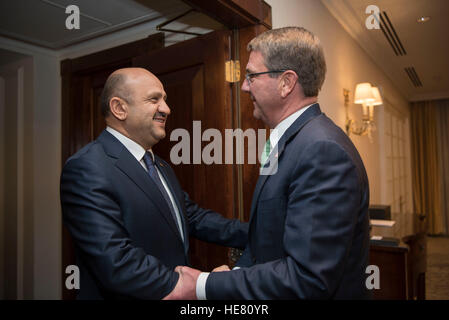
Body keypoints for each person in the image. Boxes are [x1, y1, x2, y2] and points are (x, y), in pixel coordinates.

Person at [167, 26, 371, 299]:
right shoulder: (295, 141)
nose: (244, 86)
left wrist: (202, 286)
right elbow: (268, 239)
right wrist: (237, 274)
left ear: (286, 82)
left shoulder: (322, 151)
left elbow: (307, 278)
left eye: (251, 75)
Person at [60, 67, 248, 300]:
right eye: (153, 99)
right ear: (119, 108)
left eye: (165, 100)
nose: (166, 109)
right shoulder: (87, 167)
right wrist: (197, 285)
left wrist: (258, 233)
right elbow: (115, 261)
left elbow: (192, 217)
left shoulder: (158, 165)